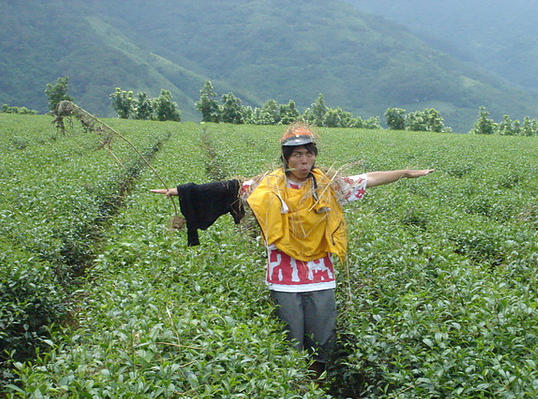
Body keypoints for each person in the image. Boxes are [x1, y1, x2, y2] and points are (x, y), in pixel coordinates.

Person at [152, 122, 433, 379]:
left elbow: (367, 179)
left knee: (323, 332)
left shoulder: (327, 184)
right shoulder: (268, 184)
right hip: (284, 274)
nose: (303, 160)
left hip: (320, 272)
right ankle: (294, 387)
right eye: (297, 155)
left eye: (308, 154)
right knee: (290, 334)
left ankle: (315, 380)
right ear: (286, 157)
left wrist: (405, 173)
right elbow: (226, 189)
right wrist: (182, 191)